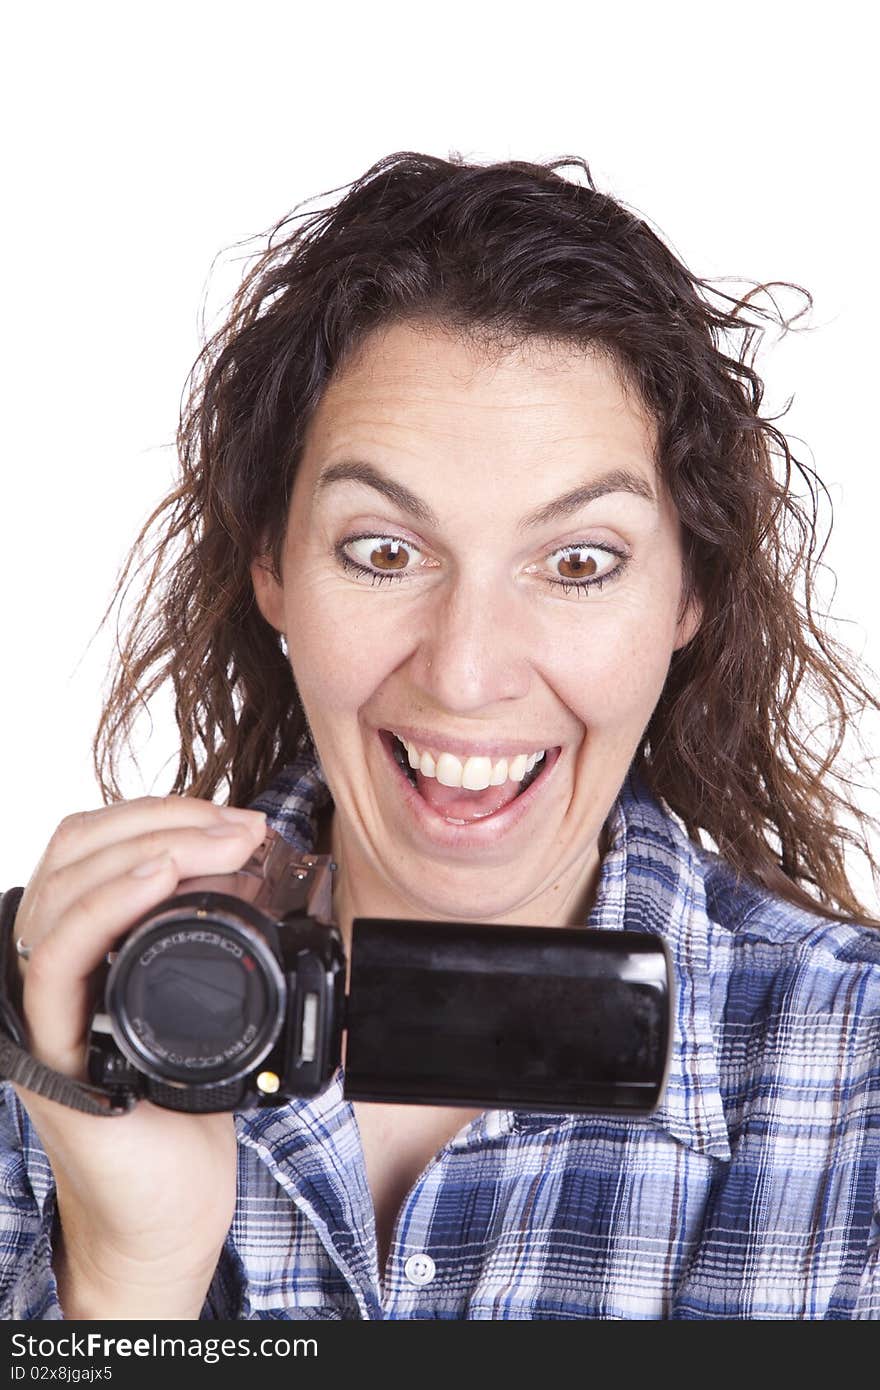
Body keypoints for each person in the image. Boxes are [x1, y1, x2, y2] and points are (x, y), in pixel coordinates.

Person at [0, 151, 878, 1321]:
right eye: (382, 552)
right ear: (271, 564)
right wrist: (131, 1285)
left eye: (577, 564)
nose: (464, 672)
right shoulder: (40, 1043)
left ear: (686, 596)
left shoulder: (858, 1074)